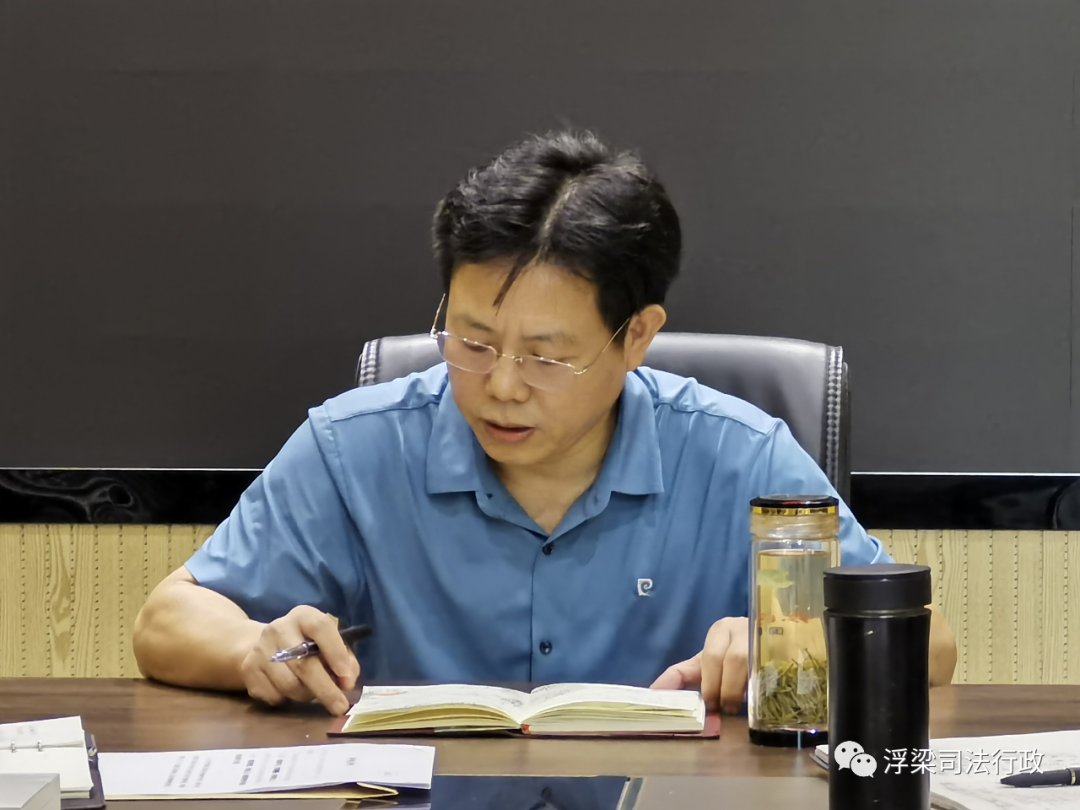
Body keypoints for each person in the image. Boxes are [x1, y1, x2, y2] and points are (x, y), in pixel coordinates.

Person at [133, 130, 957, 716]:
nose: (501, 386)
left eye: (547, 356)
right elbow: (165, 622)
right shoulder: (355, 447)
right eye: (471, 341)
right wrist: (252, 649)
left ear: (636, 336)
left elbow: (931, 645)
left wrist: (791, 645)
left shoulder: (739, 457)